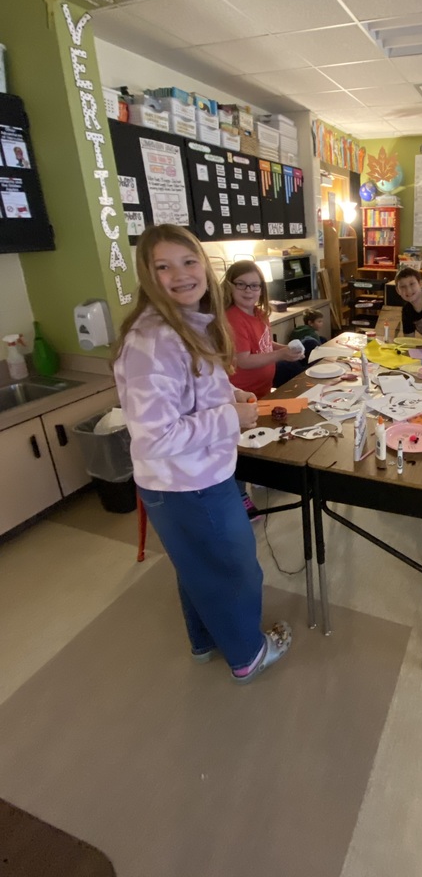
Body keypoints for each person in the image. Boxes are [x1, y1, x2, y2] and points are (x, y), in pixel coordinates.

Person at [113, 224, 292, 684]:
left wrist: (232, 396)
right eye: (163, 267)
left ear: (204, 267)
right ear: (148, 276)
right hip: (188, 485)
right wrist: (231, 419)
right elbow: (155, 435)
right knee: (236, 571)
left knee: (198, 568)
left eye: (188, 261)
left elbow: (198, 387)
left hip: (184, 480)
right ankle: (248, 654)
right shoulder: (153, 341)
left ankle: (204, 641)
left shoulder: (187, 323)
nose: (180, 274)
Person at [222, 261, 304, 397]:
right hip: (245, 395)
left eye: (254, 285)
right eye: (241, 284)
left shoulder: (260, 313)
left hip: (264, 388)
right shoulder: (233, 318)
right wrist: (281, 354)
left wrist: (286, 349)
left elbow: (265, 344)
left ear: (261, 290)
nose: (248, 290)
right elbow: (244, 360)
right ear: (229, 286)